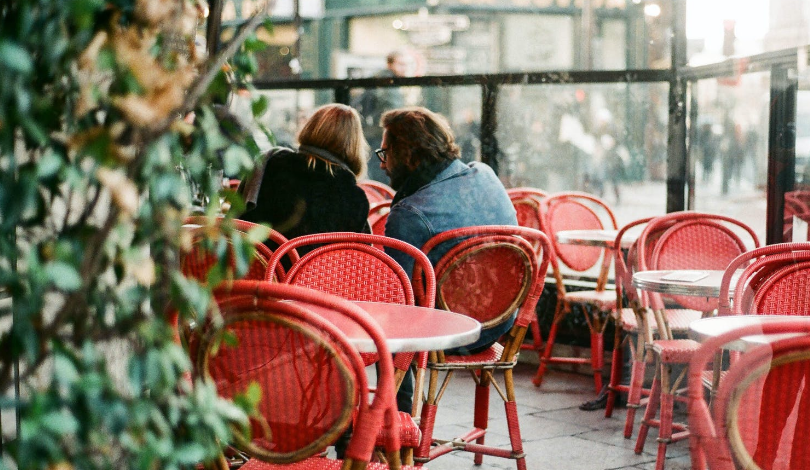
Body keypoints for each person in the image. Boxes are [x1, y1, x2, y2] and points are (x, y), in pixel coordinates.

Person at [377, 106, 518, 412]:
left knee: (386, 324)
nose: (383, 164)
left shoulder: (410, 213)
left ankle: (393, 427)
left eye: (386, 153)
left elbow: (394, 294)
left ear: (410, 156)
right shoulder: (486, 175)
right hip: (502, 322)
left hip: (452, 333)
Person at [238, 103, 370, 253]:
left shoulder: (272, 164)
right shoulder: (355, 197)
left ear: (311, 127)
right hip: (317, 276)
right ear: (355, 144)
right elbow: (357, 259)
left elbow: (236, 221)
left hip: (260, 271)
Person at [353, 50, 410, 182]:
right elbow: (393, 110)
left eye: (406, 65)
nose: (404, 68)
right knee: (382, 170)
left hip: (374, 132)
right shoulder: (387, 82)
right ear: (390, 64)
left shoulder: (384, 80)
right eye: (401, 64)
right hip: (380, 133)